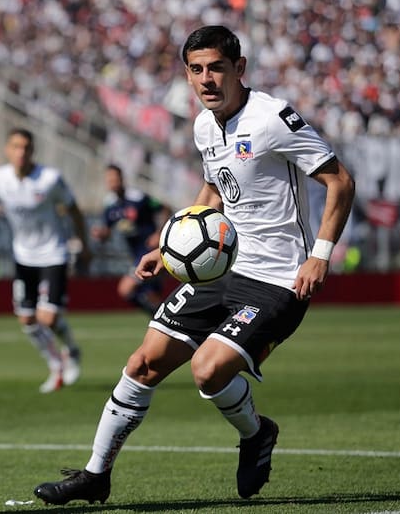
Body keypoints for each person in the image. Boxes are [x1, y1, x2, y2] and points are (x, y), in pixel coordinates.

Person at [33, 25, 355, 504]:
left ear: (239, 69)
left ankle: (256, 434)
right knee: (142, 363)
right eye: (197, 70)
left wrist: (320, 256)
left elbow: (340, 181)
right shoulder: (205, 125)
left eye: (217, 68)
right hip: (225, 270)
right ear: (187, 75)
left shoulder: (271, 118)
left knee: (208, 371)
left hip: (279, 280)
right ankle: (95, 474)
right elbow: (212, 195)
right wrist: (169, 249)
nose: (207, 79)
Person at [0, 128, 92, 393]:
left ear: (33, 151)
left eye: (26, 147)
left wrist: (82, 243)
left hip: (53, 254)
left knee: (48, 318)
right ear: (8, 150)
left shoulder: (49, 179)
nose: (21, 152)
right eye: (16, 147)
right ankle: (55, 364)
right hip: (23, 256)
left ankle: (71, 350)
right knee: (27, 321)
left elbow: (74, 210)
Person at [91, 164, 171, 315]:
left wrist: (159, 233)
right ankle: (164, 322)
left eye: (114, 179)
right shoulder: (111, 206)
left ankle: (160, 320)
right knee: (153, 297)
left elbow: (164, 208)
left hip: (149, 251)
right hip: (136, 255)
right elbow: (107, 232)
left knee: (125, 289)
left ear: (122, 179)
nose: (112, 183)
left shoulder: (138, 198)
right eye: (109, 180)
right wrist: (101, 234)